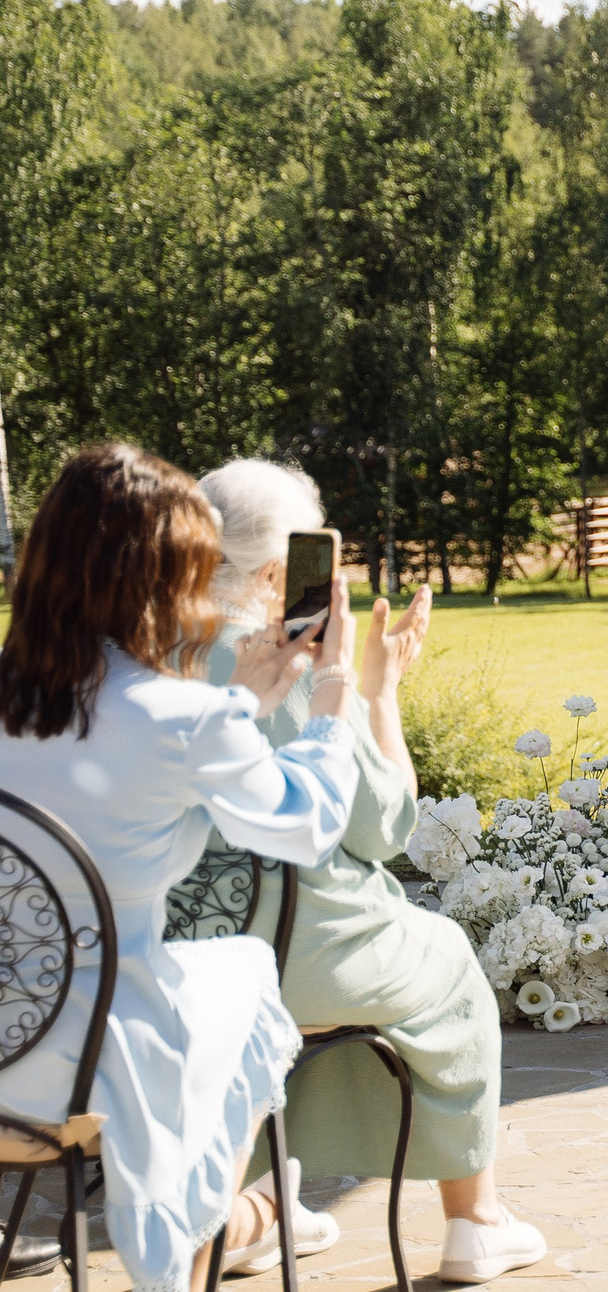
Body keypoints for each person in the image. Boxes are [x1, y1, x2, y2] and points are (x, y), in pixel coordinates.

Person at [178, 459, 546, 1283]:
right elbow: (385, 829)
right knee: (446, 960)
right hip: (305, 954)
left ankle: (257, 1204)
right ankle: (475, 1220)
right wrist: (379, 692)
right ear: (280, 568)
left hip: (184, 954)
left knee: (297, 999)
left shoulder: (155, 659)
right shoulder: (299, 666)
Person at [0, 446, 358, 1292]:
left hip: (7, 1032)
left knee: (225, 983)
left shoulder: (24, 698)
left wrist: (251, 698)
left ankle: (215, 1228)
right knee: (248, 972)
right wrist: (333, 697)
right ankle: (201, 1242)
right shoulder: (182, 717)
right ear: (159, 581)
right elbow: (303, 826)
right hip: (92, 1053)